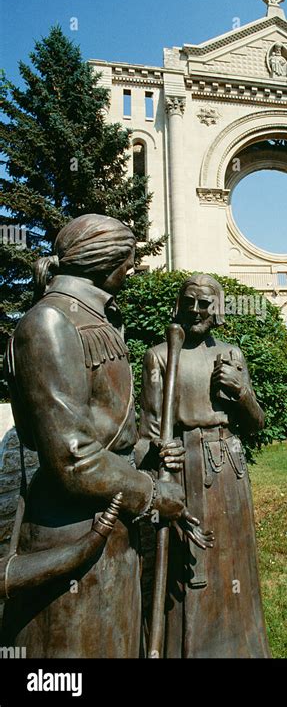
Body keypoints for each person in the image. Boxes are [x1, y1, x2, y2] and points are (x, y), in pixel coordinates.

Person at [1, 214, 193, 658]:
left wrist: (146, 448)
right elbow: (72, 456)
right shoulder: (49, 323)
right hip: (70, 535)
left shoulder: (94, 317)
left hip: (110, 523)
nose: (133, 269)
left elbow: (106, 427)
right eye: (129, 259)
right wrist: (151, 493)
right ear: (107, 260)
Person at [139, 273, 271, 658]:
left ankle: (244, 648)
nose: (197, 310)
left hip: (229, 470)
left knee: (234, 564)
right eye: (190, 301)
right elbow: (144, 438)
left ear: (219, 310)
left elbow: (256, 423)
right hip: (183, 472)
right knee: (189, 571)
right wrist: (158, 453)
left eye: (205, 303)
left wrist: (241, 392)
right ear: (179, 305)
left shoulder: (231, 355)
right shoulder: (160, 355)